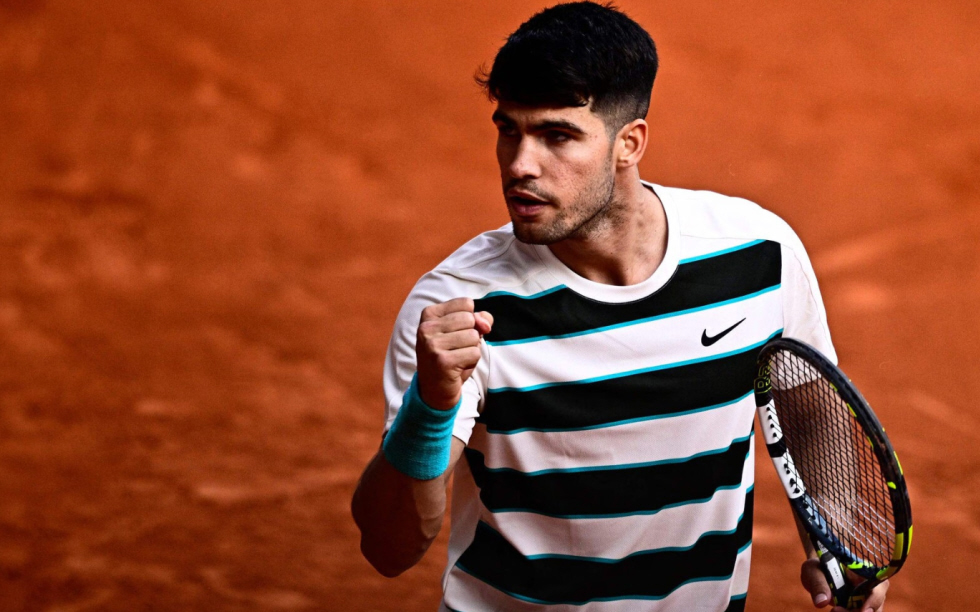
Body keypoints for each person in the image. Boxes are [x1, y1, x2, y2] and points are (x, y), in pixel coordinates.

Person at [351, 2, 889, 611]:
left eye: (557, 136)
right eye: (509, 130)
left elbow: (811, 412)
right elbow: (390, 549)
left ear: (628, 143)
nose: (520, 164)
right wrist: (430, 406)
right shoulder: (460, 308)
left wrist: (836, 537)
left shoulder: (757, 258)